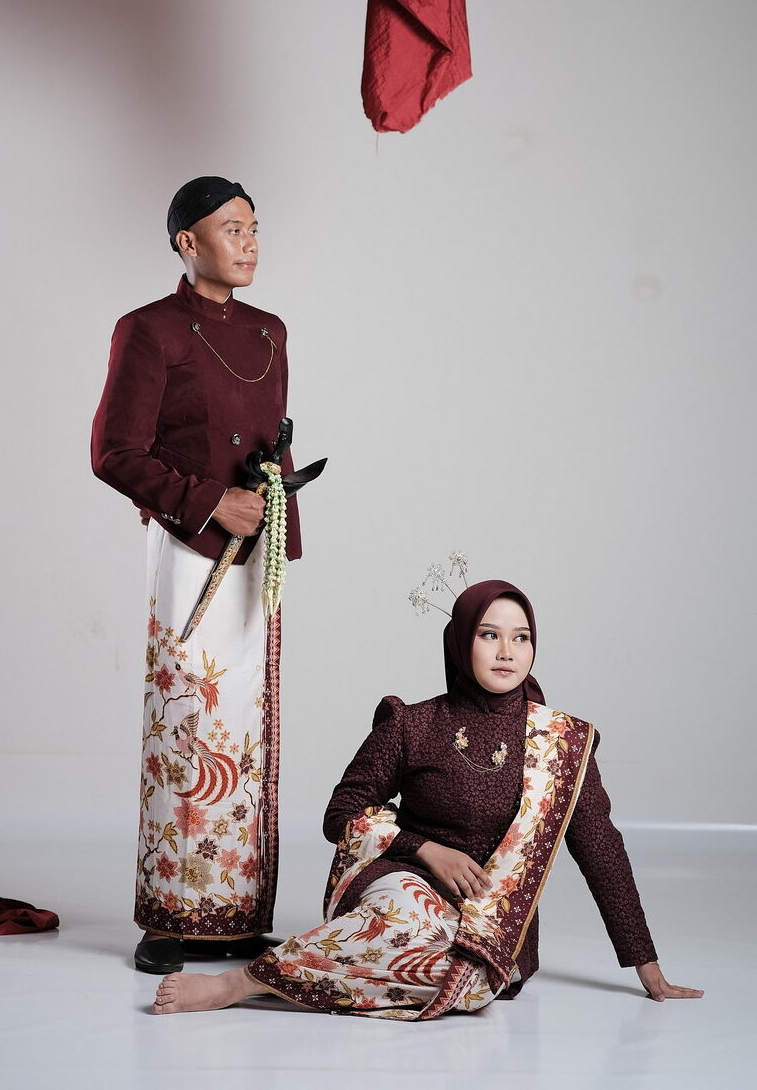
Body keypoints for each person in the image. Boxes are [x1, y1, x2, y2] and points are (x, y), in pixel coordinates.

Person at [150, 578, 703, 1017]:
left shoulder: (561, 745)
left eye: (521, 637)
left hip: (491, 921)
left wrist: (644, 963)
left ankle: (310, 970)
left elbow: (601, 850)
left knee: (469, 982)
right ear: (460, 641)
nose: (507, 652)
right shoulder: (412, 724)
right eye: (489, 635)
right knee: (409, 916)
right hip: (402, 882)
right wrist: (425, 851)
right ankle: (242, 982)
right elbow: (341, 815)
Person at [92, 176, 304, 974]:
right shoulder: (147, 329)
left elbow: (274, 443)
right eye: (231, 229)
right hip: (188, 550)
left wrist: (276, 518)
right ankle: (168, 917)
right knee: (186, 723)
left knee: (245, 730)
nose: (249, 243)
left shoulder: (269, 331)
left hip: (256, 554)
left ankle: (235, 916)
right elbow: (114, 453)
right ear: (188, 242)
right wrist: (211, 503)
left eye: (254, 228)